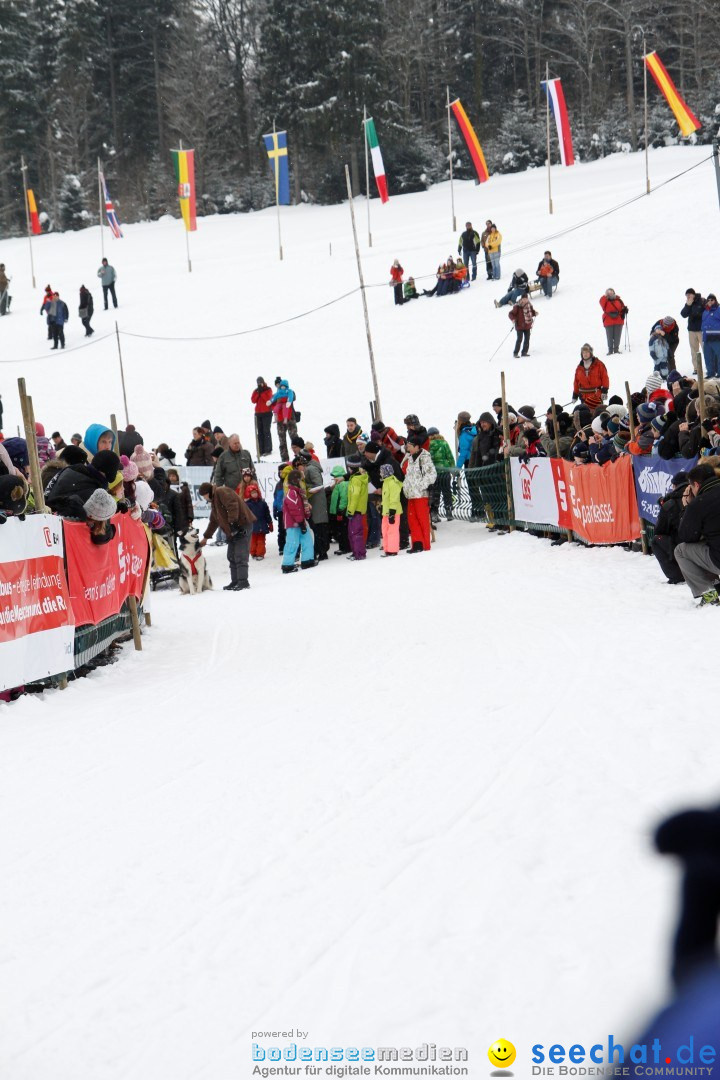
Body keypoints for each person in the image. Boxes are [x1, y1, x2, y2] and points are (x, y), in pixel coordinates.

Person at [674, 463, 720, 606]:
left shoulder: (699, 504)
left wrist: (687, 508)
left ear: (696, 485)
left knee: (681, 550)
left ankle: (709, 595)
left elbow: (687, 536)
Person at [198, 480, 255, 590]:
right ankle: (235, 581)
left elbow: (232, 506)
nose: (205, 498)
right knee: (231, 555)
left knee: (240, 555)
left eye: (204, 496)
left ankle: (243, 582)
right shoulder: (214, 501)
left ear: (208, 492)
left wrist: (233, 524)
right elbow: (214, 521)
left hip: (242, 526)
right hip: (232, 530)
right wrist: (206, 537)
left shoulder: (221, 491)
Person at [652, 472, 689, 584]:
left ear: (674, 486)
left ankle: (676, 576)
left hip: (684, 544)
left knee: (656, 540)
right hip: (704, 542)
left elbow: (659, 530)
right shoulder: (701, 496)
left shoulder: (670, 504)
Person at [402, 435, 437, 552]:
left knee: (422, 520)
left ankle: (425, 545)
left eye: (410, 445)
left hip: (421, 495)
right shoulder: (410, 458)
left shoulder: (425, 457)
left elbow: (432, 474)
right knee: (412, 520)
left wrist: (420, 486)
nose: (408, 447)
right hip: (411, 495)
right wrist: (406, 488)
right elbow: (407, 476)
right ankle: (417, 544)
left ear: (417, 447)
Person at [302, 452, 329, 561]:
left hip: (317, 502)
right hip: (315, 502)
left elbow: (318, 484)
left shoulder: (311, 469)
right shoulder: (310, 468)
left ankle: (322, 551)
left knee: (319, 528)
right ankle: (320, 550)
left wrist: (303, 485)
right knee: (318, 528)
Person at [427, 427, 454, 522]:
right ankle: (449, 513)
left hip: (434, 473)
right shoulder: (444, 443)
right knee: (447, 492)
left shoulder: (428, 445)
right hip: (445, 471)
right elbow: (450, 456)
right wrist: (453, 469)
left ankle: (434, 513)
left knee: (435, 493)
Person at [572, 344, 609, 411]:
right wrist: (575, 394)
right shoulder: (579, 368)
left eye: (587, 352)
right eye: (583, 352)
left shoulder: (599, 364)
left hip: (596, 395)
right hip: (583, 397)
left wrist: (605, 391)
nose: (585, 354)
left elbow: (605, 378)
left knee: (597, 414)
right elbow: (576, 382)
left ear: (591, 353)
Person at [346, 455, 369, 560]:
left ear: (351, 467)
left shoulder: (356, 480)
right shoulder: (357, 477)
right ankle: (356, 551)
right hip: (357, 509)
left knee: (355, 533)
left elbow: (355, 496)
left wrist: (350, 510)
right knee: (354, 532)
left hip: (356, 510)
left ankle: (359, 553)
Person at [269, 378, 298, 462]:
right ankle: (285, 460)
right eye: (276, 384)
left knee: (294, 439)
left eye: (279, 384)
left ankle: (298, 457)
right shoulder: (276, 395)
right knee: (282, 441)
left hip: (290, 418)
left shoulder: (289, 392)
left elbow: (293, 397)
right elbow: (271, 405)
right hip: (280, 421)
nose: (278, 386)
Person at [379, 462, 404, 556]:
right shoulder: (385, 482)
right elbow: (386, 498)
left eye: (381, 472)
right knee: (385, 530)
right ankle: (387, 548)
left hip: (393, 511)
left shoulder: (393, 483)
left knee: (392, 531)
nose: (380, 473)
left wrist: (392, 512)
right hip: (386, 512)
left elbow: (394, 498)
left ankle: (392, 550)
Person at [243, 482, 273, 560]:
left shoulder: (263, 503)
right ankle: (253, 553)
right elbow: (245, 516)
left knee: (261, 541)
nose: (254, 494)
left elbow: (267, 514)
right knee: (253, 541)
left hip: (262, 525)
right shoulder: (247, 504)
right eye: (252, 493)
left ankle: (260, 553)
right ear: (249, 494)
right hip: (252, 526)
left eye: (255, 492)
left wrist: (270, 523)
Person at [680, 288, 706, 365]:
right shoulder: (689, 303)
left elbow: (705, 312)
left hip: (701, 330)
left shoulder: (702, 301)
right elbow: (683, 314)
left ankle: (710, 367)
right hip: (691, 330)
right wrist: (688, 305)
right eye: (686, 295)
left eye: (689, 295)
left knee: (706, 349)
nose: (688, 296)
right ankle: (696, 368)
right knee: (694, 350)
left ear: (693, 294)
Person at [328, 465, 350, 554]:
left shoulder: (343, 484)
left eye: (334, 476)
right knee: (341, 530)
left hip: (341, 512)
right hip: (338, 511)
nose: (333, 478)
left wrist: (340, 510)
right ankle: (343, 547)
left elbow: (344, 498)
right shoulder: (339, 484)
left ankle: (345, 547)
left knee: (343, 530)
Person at [599, 287, 627, 355]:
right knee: (609, 337)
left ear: (614, 292)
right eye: (608, 292)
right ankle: (610, 351)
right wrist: (605, 296)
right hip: (608, 321)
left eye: (611, 291)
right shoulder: (604, 301)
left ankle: (616, 350)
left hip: (618, 321)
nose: (610, 293)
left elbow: (622, 309)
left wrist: (625, 310)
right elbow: (601, 301)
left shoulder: (619, 300)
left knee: (617, 336)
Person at [252, 377, 273, 456]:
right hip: (258, 413)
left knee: (266, 431)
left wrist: (262, 393)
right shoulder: (256, 390)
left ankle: (268, 449)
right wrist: (258, 393)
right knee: (259, 432)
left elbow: (269, 399)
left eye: (260, 382)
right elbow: (253, 400)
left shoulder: (268, 389)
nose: (259, 384)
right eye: (258, 382)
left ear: (263, 382)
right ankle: (260, 450)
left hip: (267, 413)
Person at [701, 294, 720, 379]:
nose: (710, 301)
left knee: (719, 356)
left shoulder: (719, 310)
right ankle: (710, 372)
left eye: (712, 300)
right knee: (707, 357)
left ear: (715, 301)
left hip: (717, 338)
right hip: (707, 338)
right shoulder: (705, 312)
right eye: (708, 300)